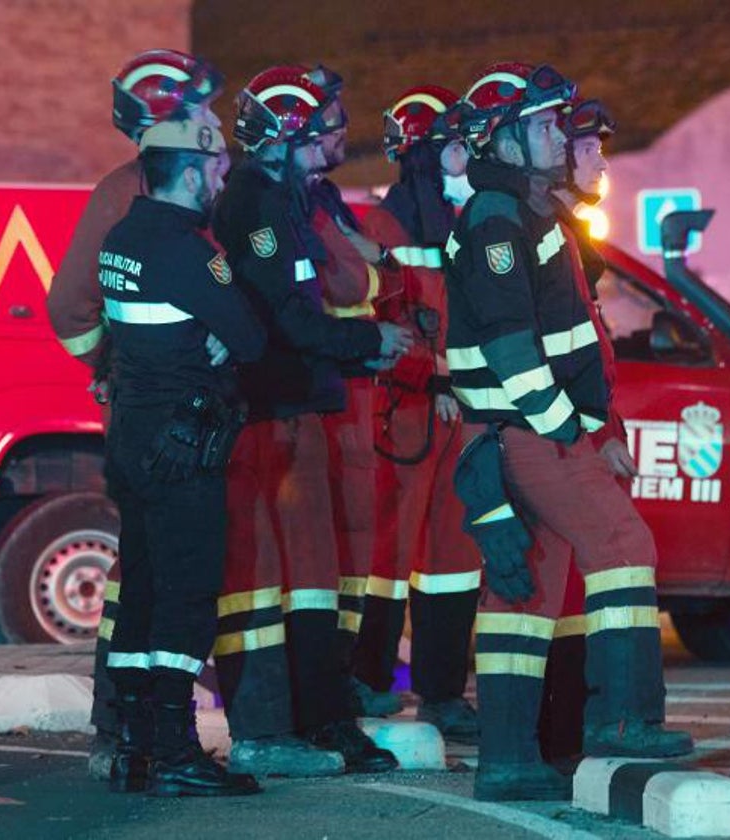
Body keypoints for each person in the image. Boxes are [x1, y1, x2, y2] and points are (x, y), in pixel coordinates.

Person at [445, 62, 692, 802]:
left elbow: (562, 335)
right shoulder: (495, 220)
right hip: (529, 429)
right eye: (548, 124)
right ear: (508, 140)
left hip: (521, 430)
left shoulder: (521, 216)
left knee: (527, 596)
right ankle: (624, 718)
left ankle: (510, 759)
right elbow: (512, 346)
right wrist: (567, 427)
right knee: (622, 545)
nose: (562, 134)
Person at [211, 66, 410, 775]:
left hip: (296, 407)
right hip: (272, 413)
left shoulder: (286, 198)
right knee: (277, 579)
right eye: (323, 124)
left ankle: (321, 716)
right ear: (288, 135)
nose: (339, 133)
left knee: (312, 578)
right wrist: (367, 341)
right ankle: (291, 724)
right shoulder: (258, 204)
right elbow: (286, 315)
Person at [45, 48, 226, 781]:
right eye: (201, 109)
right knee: (155, 576)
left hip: (173, 414)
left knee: (159, 572)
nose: (214, 120)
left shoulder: (184, 188)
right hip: (165, 422)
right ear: (166, 123)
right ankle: (135, 729)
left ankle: (142, 735)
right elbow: (69, 307)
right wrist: (112, 364)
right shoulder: (126, 194)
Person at [100, 113, 263, 797]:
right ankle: (174, 749)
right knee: (186, 598)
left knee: (139, 594)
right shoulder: (189, 253)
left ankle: (136, 746)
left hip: (132, 442)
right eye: (218, 167)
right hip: (182, 447)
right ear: (191, 172)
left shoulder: (122, 238)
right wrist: (220, 342)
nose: (224, 178)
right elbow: (250, 339)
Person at [353, 86, 482, 744]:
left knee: (453, 558)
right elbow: (381, 325)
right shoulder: (384, 231)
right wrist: (431, 377)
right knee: (385, 554)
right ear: (426, 154)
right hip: (401, 417)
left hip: (457, 417)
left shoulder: (465, 224)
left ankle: (442, 691)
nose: (466, 155)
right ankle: (368, 678)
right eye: (455, 145)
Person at [301, 65, 404, 717]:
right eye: (332, 119)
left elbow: (366, 266)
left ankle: (335, 678)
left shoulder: (323, 202)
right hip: (326, 390)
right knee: (324, 549)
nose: (343, 128)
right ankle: (319, 687)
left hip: (347, 393)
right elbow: (344, 286)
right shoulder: (292, 208)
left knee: (348, 547)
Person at [538, 96, 636, 768]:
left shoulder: (570, 234)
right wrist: (589, 432)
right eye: (590, 148)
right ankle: (560, 738)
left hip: (576, 433)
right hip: (557, 439)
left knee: (577, 591)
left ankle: (574, 730)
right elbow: (566, 354)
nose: (602, 161)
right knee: (565, 589)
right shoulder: (544, 234)